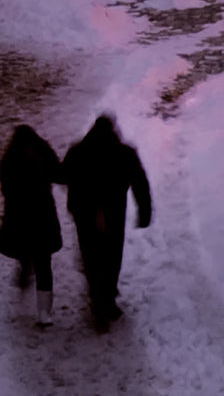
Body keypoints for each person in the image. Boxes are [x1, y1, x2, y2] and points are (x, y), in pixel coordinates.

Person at [62, 115, 152, 331]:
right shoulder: (125, 153)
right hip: (113, 215)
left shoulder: (78, 152)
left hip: (85, 214)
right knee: (112, 257)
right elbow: (140, 183)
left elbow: (62, 175)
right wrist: (144, 212)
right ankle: (108, 299)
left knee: (91, 257)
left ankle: (98, 301)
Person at [0, 124, 64, 327]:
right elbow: (60, 174)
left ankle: (23, 276)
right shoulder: (43, 154)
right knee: (44, 263)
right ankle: (44, 312)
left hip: (20, 218)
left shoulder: (9, 161)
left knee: (25, 252)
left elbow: (5, 188)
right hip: (43, 218)